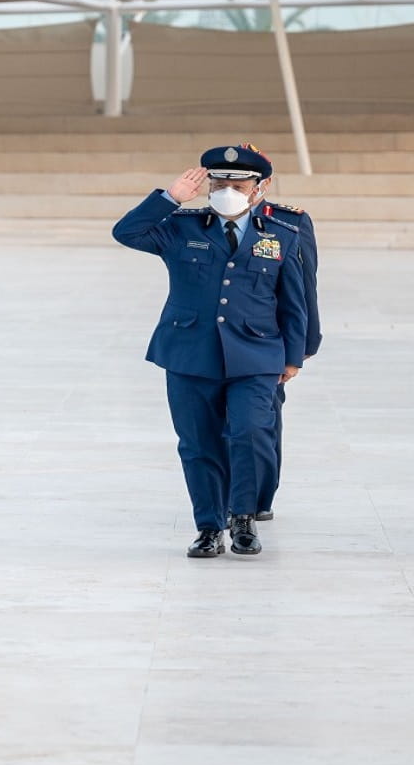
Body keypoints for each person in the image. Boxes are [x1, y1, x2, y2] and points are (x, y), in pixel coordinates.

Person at [111, 145, 307, 559]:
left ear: (260, 186)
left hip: (256, 354)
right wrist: (169, 198)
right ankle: (208, 527)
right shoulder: (181, 227)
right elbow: (125, 233)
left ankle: (242, 518)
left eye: (238, 182)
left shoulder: (282, 234)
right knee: (198, 443)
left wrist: (294, 355)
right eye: (219, 181)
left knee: (250, 433)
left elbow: (294, 301)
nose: (228, 188)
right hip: (189, 352)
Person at [251, 146, 321, 522]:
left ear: (263, 184)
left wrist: (303, 345)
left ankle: (260, 496)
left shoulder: (288, 223)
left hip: (267, 341)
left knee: (262, 423)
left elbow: (304, 285)